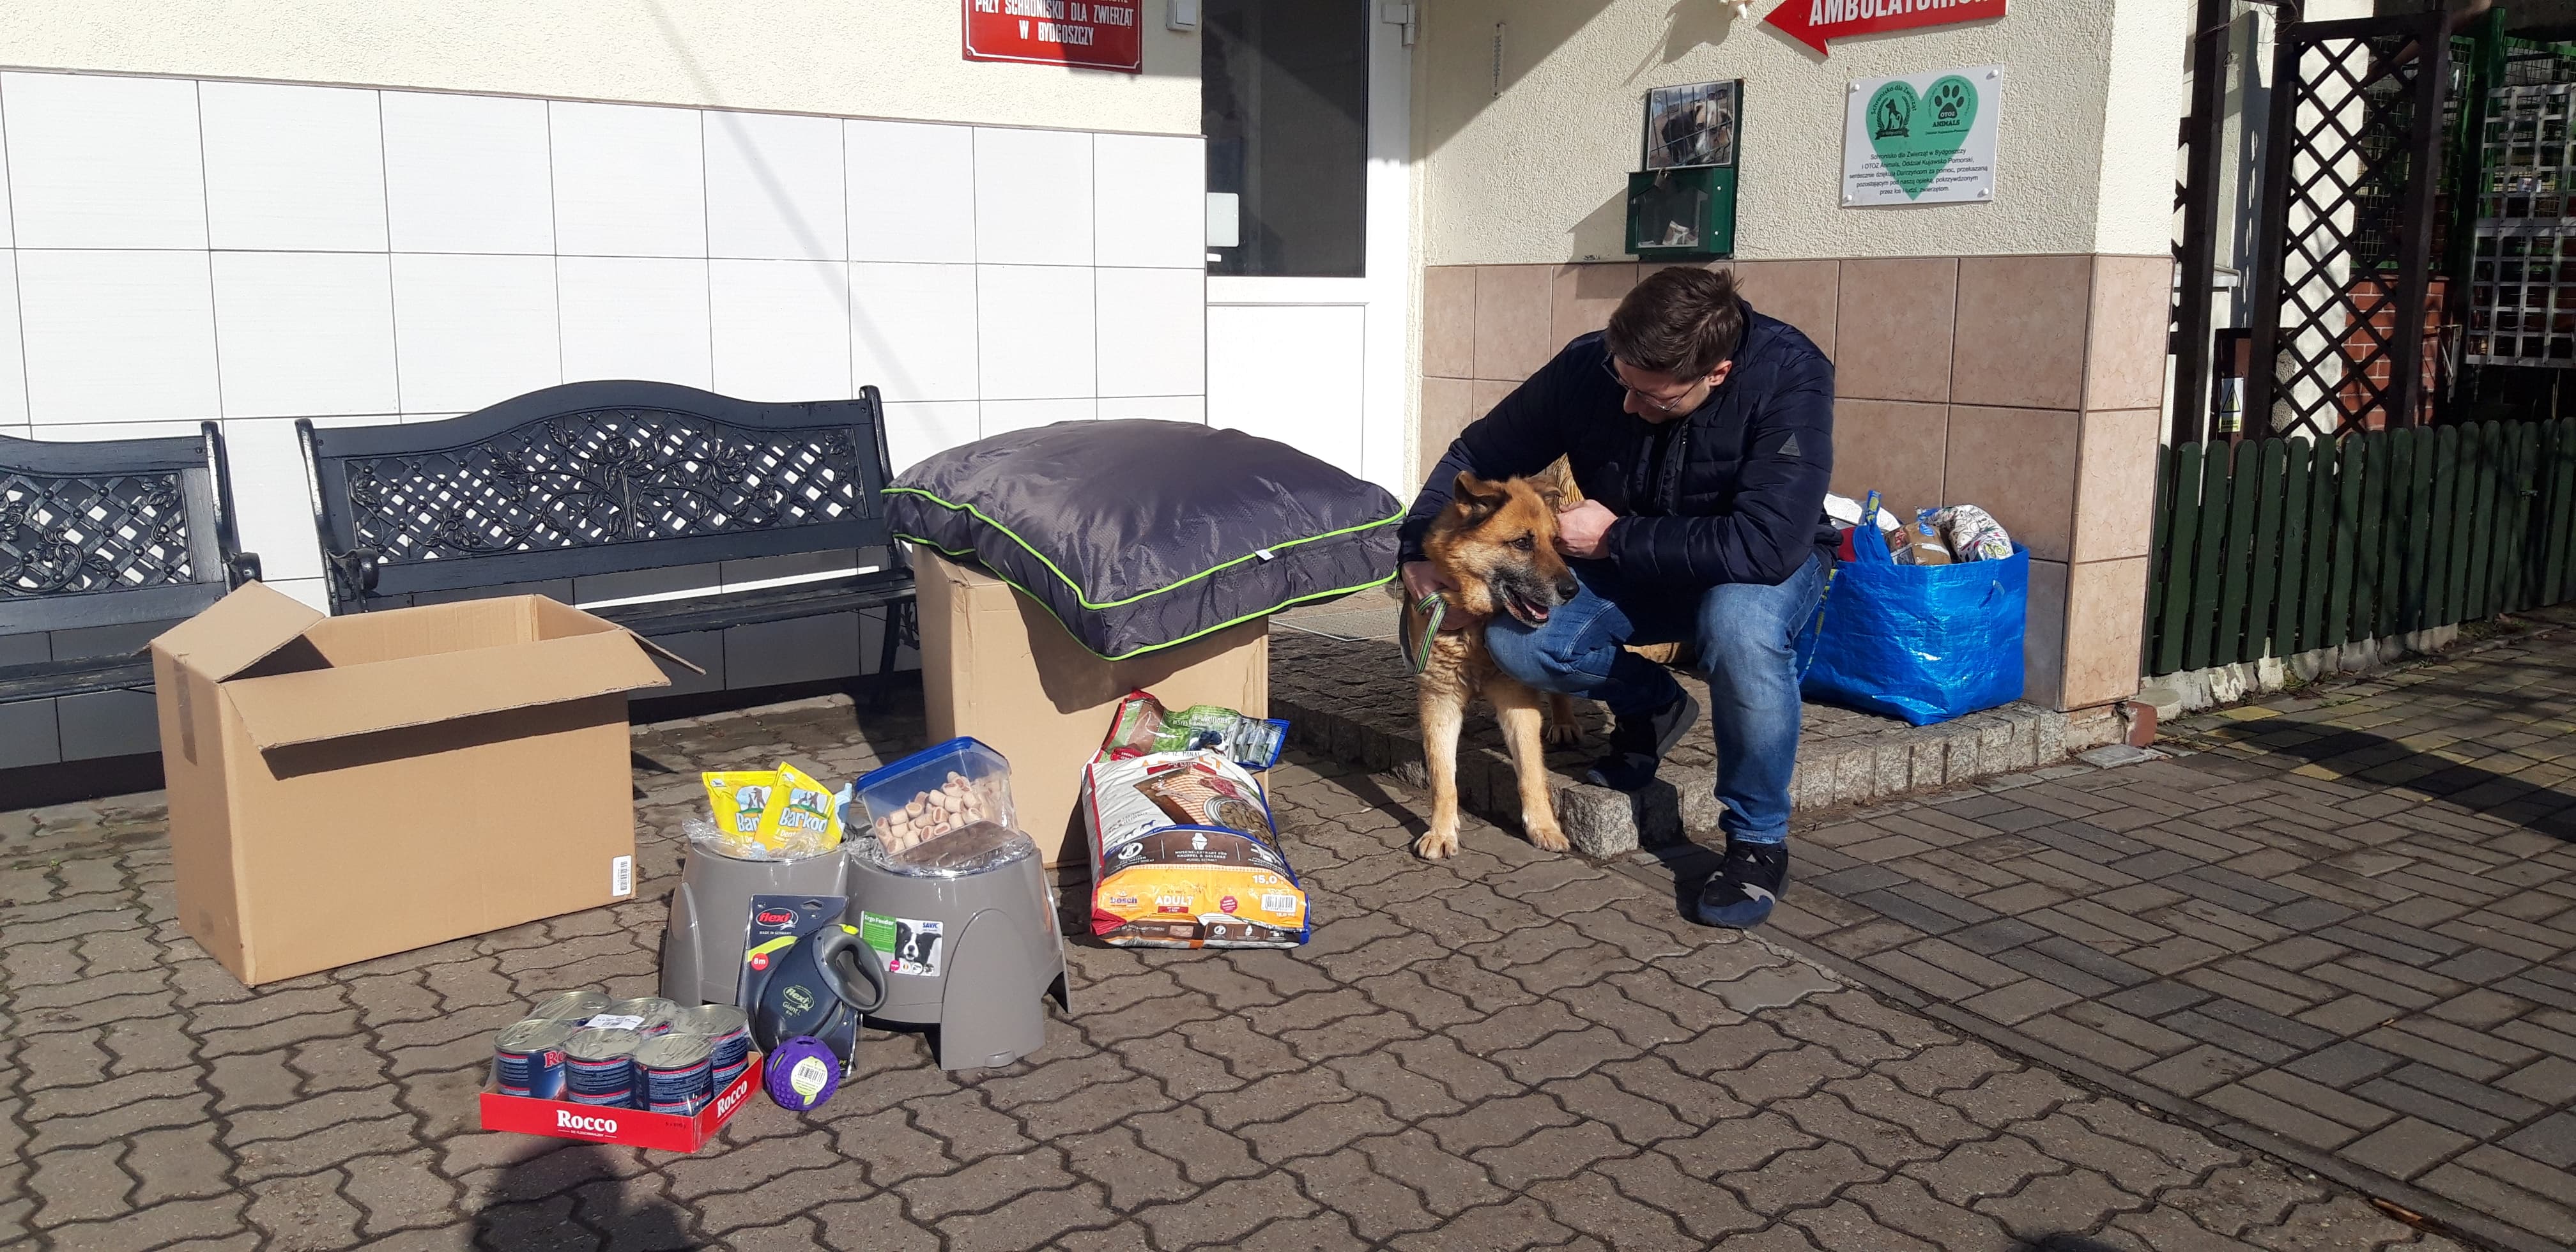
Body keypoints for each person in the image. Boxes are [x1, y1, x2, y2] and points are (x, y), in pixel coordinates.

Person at [1396, 266, 1834, 930]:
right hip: (1634, 559)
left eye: (1651, 397)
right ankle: (1653, 706)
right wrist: (1414, 553)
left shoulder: (1791, 375)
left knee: (1739, 629)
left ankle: (1756, 842)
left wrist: (1617, 537)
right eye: (1621, 381)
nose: (1628, 405)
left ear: (1716, 373)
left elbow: (1769, 543)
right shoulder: (1587, 367)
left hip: (1756, 566)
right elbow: (1476, 452)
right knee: (1524, 641)